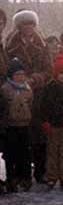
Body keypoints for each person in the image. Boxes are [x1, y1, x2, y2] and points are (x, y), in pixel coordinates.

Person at [5, 11, 53, 182]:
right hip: (18, 95)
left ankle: (41, 171)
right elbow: (7, 69)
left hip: (38, 94)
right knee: (20, 135)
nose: (29, 28)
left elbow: (49, 69)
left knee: (40, 135)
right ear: (19, 26)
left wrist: (35, 79)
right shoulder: (11, 46)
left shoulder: (42, 45)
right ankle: (20, 173)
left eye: (31, 24)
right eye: (25, 24)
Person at [39, 57, 63, 189]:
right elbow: (43, 107)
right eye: (62, 73)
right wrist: (45, 122)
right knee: (52, 153)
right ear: (56, 74)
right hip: (52, 126)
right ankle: (52, 176)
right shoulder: (49, 88)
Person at [1, 59, 33, 192]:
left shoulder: (27, 89)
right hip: (10, 126)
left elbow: (31, 103)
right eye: (17, 74)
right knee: (10, 154)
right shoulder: (5, 89)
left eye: (22, 74)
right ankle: (11, 178)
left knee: (24, 153)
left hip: (24, 125)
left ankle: (24, 177)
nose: (20, 77)